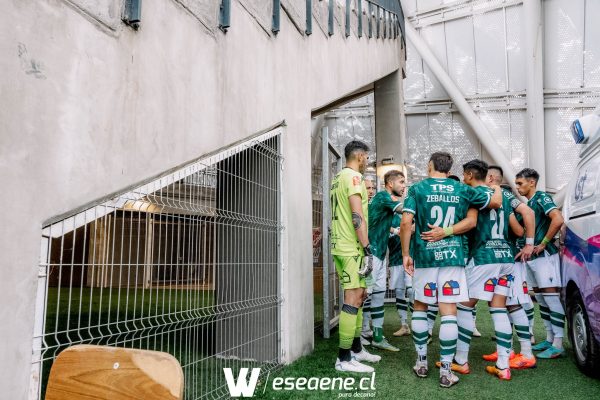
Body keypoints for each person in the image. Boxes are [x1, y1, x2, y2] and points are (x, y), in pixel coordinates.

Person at [401, 152, 502, 388]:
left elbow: (406, 222)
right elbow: (491, 205)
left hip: (425, 256)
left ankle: (422, 362)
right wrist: (495, 184)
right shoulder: (462, 189)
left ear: (430, 166)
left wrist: (406, 254)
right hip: (453, 257)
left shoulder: (417, 189)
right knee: (448, 311)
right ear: (449, 168)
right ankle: (446, 371)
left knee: (420, 306)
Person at [330, 140, 381, 373]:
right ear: (360, 156)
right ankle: (343, 358)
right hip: (351, 248)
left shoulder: (338, 177)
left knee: (360, 295)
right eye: (367, 158)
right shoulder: (354, 177)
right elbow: (356, 215)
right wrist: (367, 247)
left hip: (346, 246)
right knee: (352, 298)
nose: (367, 162)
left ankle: (357, 349)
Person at [485, 168, 537, 369]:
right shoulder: (495, 196)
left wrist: (529, 243)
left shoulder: (503, 196)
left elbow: (524, 219)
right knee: (505, 304)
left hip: (512, 259)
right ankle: (506, 350)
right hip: (504, 259)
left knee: (514, 303)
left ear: (490, 178)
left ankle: (526, 353)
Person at [515, 168, 566, 359]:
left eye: (520, 183)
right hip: (532, 258)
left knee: (551, 298)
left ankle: (559, 344)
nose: (518, 187)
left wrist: (543, 243)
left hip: (545, 257)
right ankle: (550, 339)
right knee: (543, 299)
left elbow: (558, 219)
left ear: (532, 183)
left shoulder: (542, 197)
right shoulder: (530, 203)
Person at [361, 170, 406, 351]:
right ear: (390, 184)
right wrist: (422, 202)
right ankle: (360, 334)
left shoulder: (383, 201)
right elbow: (404, 210)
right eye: (401, 182)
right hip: (369, 255)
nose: (404, 186)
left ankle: (377, 337)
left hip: (379, 255)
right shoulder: (382, 196)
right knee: (364, 294)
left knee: (378, 294)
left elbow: (387, 226)